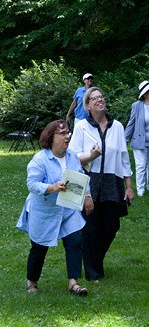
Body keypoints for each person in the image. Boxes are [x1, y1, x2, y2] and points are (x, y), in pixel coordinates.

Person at [16, 120, 93, 295]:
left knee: (75, 241)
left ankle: (74, 283)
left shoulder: (72, 156)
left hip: (67, 209)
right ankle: (32, 283)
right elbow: (32, 184)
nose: (68, 137)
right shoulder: (40, 159)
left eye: (68, 133)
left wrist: (87, 196)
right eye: (63, 133)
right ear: (51, 137)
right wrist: (51, 187)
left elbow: (80, 177)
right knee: (39, 247)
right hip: (44, 211)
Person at [69, 86, 135, 281]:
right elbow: (72, 158)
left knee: (110, 226)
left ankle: (95, 259)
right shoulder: (81, 126)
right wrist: (90, 156)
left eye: (101, 97)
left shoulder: (118, 127)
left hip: (112, 181)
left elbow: (124, 158)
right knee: (90, 228)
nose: (100, 100)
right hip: (89, 181)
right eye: (94, 98)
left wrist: (129, 185)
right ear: (88, 106)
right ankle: (93, 272)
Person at [125, 80, 149, 196]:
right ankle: (140, 191)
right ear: (144, 93)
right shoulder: (136, 106)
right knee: (141, 165)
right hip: (139, 140)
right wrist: (124, 139)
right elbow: (131, 123)